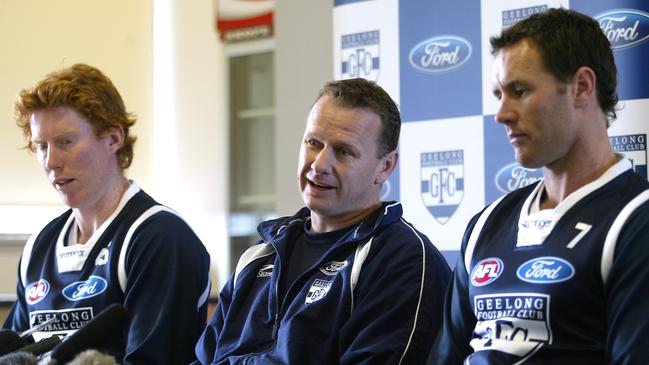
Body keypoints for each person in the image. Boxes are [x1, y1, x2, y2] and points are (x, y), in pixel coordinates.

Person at [429, 8, 649, 365]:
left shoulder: (635, 220)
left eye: (519, 90)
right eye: (499, 94)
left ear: (581, 86)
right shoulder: (487, 224)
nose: (501, 114)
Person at [194, 78, 451, 364]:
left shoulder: (405, 261)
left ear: (385, 166)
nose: (319, 165)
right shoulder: (260, 254)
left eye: (344, 151)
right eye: (313, 143)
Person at [2, 64, 211, 364]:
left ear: (113, 138)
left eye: (65, 142)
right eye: (41, 146)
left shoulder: (160, 238)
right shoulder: (40, 246)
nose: (51, 162)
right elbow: (13, 353)